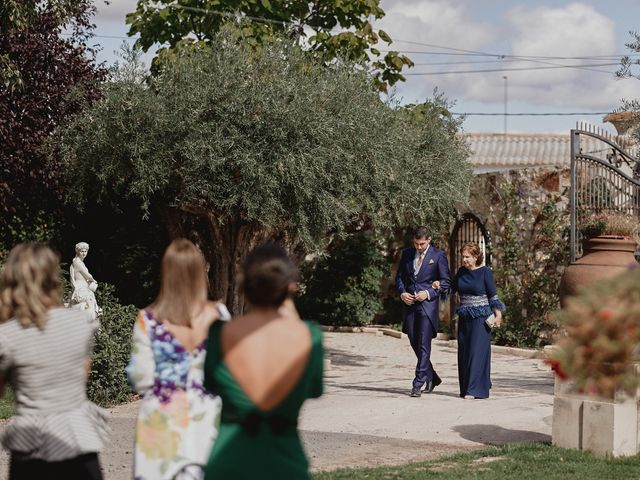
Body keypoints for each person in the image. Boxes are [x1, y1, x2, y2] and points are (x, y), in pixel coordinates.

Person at [203, 243, 323, 480]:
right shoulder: (310, 336)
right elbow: (314, 389)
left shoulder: (220, 334)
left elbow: (209, 384)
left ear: (243, 286)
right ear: (290, 287)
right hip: (285, 465)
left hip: (229, 464)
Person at [0, 243, 109, 479]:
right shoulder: (79, 324)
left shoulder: (8, 335)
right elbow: (81, 377)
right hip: (78, 440)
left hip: (31, 445)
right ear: (52, 279)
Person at [126, 239, 225, 480]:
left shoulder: (147, 320)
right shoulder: (220, 315)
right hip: (209, 417)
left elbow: (140, 378)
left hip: (162, 421)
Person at [395, 226, 451, 398]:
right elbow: (399, 278)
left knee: (424, 344)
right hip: (410, 305)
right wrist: (403, 293)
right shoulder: (407, 254)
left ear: (429, 239)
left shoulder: (439, 256)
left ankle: (418, 383)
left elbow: (445, 282)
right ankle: (432, 376)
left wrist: (427, 293)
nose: (418, 247)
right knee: (413, 341)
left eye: (421, 244)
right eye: (416, 244)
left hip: (427, 307)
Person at [449, 242, 505, 399]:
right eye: (463, 257)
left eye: (467, 257)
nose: (464, 260)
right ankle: (468, 387)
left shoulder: (485, 272)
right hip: (465, 318)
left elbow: (493, 296)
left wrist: (498, 314)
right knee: (464, 353)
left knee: (476, 353)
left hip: (481, 319)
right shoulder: (461, 272)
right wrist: (438, 285)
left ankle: (474, 390)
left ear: (475, 257)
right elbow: (451, 289)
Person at [69, 242, 101, 321]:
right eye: (82, 251)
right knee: (89, 307)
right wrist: (93, 280)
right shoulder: (77, 262)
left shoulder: (79, 262)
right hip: (81, 288)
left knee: (91, 308)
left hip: (85, 287)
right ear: (78, 251)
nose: (84, 253)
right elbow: (87, 275)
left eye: (85, 251)